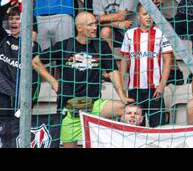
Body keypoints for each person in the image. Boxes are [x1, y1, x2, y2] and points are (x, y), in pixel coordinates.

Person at [39, 11, 127, 148]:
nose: (95, 28)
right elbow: (35, 61)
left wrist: (122, 95)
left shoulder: (100, 45)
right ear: (79, 28)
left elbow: (113, 71)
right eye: (90, 25)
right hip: (68, 109)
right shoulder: (65, 45)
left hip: (93, 105)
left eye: (95, 24)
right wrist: (53, 82)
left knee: (125, 109)